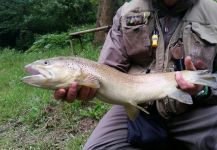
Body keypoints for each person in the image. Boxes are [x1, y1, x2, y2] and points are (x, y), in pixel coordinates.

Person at [54, 0, 217, 149]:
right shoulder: (127, 13)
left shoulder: (214, 13)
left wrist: (203, 90)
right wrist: (89, 86)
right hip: (137, 108)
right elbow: (108, 69)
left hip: (195, 107)